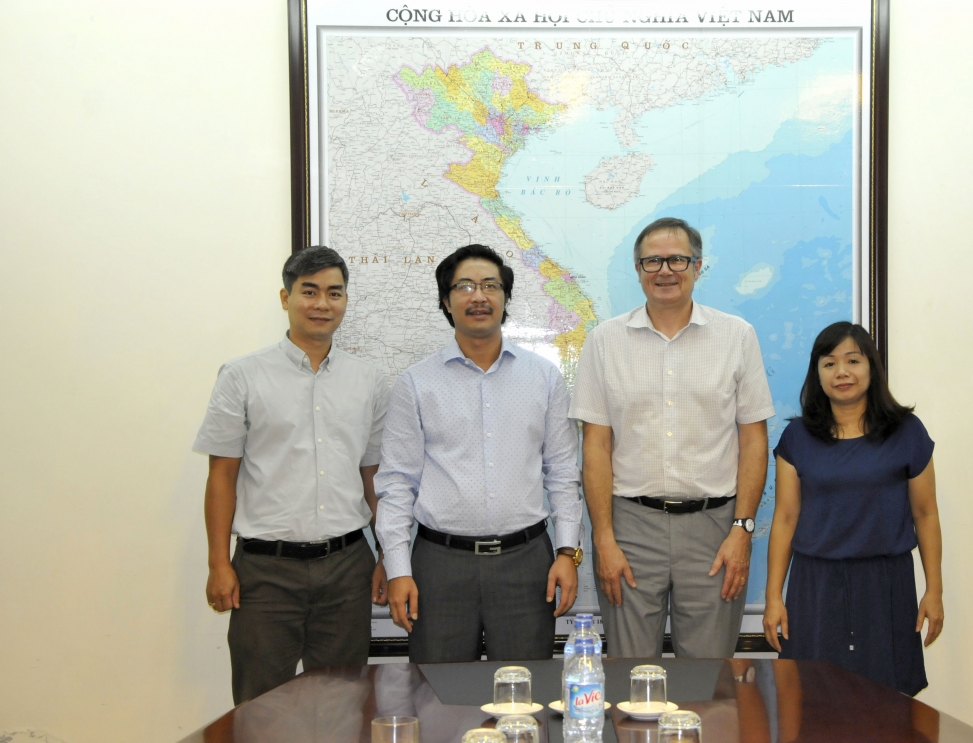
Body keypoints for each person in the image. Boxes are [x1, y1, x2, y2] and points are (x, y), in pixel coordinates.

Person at [569, 217, 775, 658]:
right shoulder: (604, 341)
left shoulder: (737, 336)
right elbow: (596, 447)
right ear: (638, 270)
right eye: (652, 261)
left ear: (697, 266)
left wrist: (742, 530)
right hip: (630, 529)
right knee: (630, 672)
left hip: (714, 529)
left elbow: (754, 441)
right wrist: (603, 537)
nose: (665, 270)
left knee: (707, 678)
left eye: (677, 260)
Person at [194, 246, 390, 704]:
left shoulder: (370, 381)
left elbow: (375, 477)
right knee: (261, 707)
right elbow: (221, 475)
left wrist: (387, 555)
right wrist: (218, 563)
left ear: (345, 301)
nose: (322, 303)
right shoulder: (241, 376)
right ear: (286, 298)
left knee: (343, 703)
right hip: (265, 571)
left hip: (347, 567)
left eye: (334, 293)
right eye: (309, 291)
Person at [374, 243, 584, 663]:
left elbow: (563, 473)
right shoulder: (416, 383)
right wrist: (398, 570)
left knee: (526, 690)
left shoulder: (544, 378)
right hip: (439, 565)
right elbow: (397, 483)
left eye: (491, 286)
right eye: (465, 286)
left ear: (505, 298)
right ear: (446, 301)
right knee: (439, 692)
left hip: (526, 564)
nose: (479, 296)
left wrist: (567, 553)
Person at [762, 321, 944, 696]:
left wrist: (934, 590)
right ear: (817, 374)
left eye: (853, 361)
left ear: (871, 368)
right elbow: (785, 518)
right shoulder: (797, 438)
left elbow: (926, 514)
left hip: (885, 584)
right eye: (829, 363)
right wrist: (773, 597)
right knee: (811, 696)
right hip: (814, 586)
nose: (841, 372)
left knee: (887, 699)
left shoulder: (907, 432)